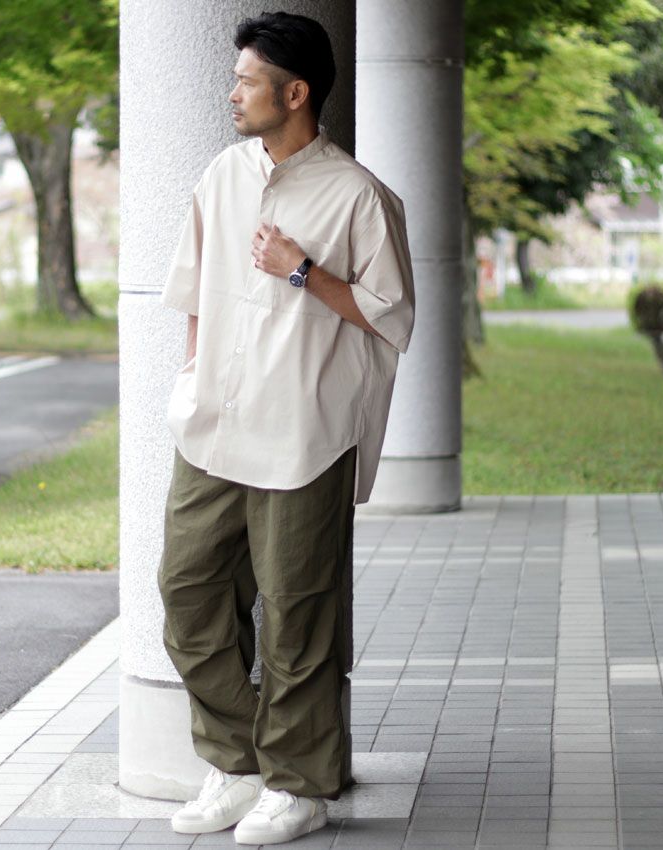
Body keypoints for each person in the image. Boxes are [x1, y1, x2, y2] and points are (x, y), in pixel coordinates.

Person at [155, 10, 415, 847]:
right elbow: (194, 289)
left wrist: (303, 270)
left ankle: (299, 786)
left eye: (247, 81)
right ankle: (237, 764)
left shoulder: (359, 196)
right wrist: (191, 381)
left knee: (298, 618)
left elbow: (391, 316)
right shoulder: (221, 175)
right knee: (188, 592)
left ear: (295, 93)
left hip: (305, 434)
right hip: (215, 426)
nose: (232, 93)